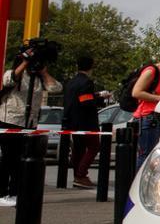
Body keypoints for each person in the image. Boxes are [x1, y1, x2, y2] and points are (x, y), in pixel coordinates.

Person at [0, 46, 62, 206]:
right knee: (9, 159)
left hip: (30, 123)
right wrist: (24, 63)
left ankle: (17, 192)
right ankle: (4, 192)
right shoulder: (14, 73)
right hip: (10, 120)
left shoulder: (39, 77)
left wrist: (43, 72)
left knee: (23, 160)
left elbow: (56, 88)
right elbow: (8, 80)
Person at [63, 55, 109, 188]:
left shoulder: (71, 82)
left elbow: (79, 99)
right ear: (91, 66)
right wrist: (99, 100)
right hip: (86, 122)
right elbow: (85, 101)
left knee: (78, 149)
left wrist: (97, 95)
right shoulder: (87, 82)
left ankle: (77, 175)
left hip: (72, 121)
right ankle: (81, 174)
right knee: (94, 146)